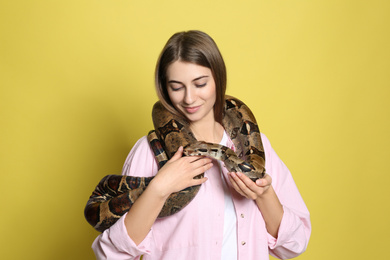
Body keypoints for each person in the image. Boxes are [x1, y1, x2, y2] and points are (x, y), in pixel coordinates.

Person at [92, 30, 311, 259]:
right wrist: (158, 188)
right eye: (176, 87)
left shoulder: (259, 149)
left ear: (218, 79)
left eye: (200, 83)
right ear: (164, 89)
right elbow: (112, 255)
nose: (189, 98)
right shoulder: (148, 151)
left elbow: (294, 245)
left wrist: (264, 194)